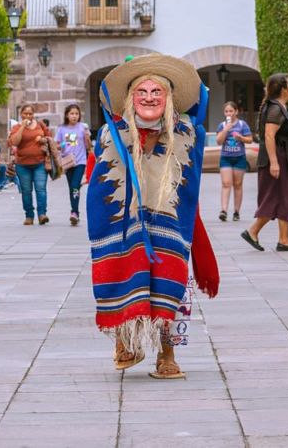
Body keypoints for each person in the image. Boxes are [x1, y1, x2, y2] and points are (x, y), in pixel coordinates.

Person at [87, 54, 218, 380]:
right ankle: (126, 339)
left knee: (170, 279)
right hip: (122, 223)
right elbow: (100, 184)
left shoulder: (188, 132)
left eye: (156, 92)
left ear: (168, 97)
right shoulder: (110, 133)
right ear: (130, 97)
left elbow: (189, 179)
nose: (148, 98)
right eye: (141, 92)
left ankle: (167, 353)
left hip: (170, 219)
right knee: (121, 267)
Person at [243, 74, 288, 252]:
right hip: (279, 158)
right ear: (283, 89)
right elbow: (269, 135)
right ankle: (254, 231)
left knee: (285, 198)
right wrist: (274, 162)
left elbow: (284, 129)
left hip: (283, 158)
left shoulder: (280, 108)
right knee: (275, 198)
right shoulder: (275, 109)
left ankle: (283, 239)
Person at [9, 104, 51, 225]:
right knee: (26, 191)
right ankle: (29, 215)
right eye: (25, 114)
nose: (28, 116)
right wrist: (22, 127)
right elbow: (15, 142)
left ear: (34, 114)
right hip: (22, 164)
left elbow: (50, 138)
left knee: (41, 188)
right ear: (21, 114)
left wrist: (43, 140)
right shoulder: (17, 127)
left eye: (30, 114)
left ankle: (42, 214)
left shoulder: (40, 125)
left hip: (40, 162)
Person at [55, 104, 93, 226]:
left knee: (75, 186)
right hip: (67, 161)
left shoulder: (82, 127)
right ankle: (74, 211)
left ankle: (74, 212)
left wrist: (87, 137)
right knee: (72, 187)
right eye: (72, 113)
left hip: (80, 161)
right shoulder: (62, 129)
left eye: (76, 114)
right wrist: (62, 145)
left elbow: (88, 147)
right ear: (67, 115)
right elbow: (58, 145)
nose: (74, 116)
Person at [215, 101, 252, 223]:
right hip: (226, 157)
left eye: (231, 111)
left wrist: (241, 138)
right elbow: (219, 141)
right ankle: (224, 211)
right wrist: (226, 130)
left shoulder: (242, 124)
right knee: (226, 183)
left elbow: (250, 140)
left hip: (239, 157)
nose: (229, 113)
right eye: (226, 111)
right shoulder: (222, 125)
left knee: (238, 184)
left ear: (236, 111)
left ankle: (236, 212)